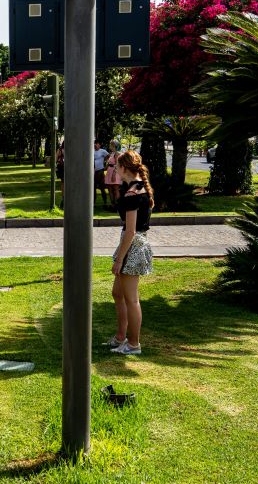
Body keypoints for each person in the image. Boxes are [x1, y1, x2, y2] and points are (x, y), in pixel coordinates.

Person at [104, 150, 154, 356]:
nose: (114, 169)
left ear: (124, 168)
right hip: (130, 243)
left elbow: (131, 231)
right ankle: (120, 337)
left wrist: (119, 259)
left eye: (116, 166)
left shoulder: (134, 193)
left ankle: (133, 344)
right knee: (118, 293)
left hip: (132, 245)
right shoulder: (138, 187)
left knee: (131, 299)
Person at [104, 139, 122, 210]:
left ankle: (118, 206)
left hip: (115, 172)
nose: (110, 146)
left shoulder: (117, 153)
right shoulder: (111, 153)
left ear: (115, 145)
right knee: (110, 189)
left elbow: (117, 164)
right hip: (109, 171)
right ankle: (113, 205)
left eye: (111, 145)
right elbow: (109, 164)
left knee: (115, 189)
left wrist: (114, 174)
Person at [93, 140, 110, 207]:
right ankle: (93, 203)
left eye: (97, 143)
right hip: (93, 172)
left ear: (99, 145)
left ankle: (105, 202)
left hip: (100, 171)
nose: (95, 145)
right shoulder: (91, 151)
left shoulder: (103, 151)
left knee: (102, 187)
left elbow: (109, 156)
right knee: (93, 187)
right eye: (94, 143)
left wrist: (106, 164)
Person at [56, 140, 65, 209]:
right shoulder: (71, 149)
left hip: (61, 168)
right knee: (64, 182)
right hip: (64, 168)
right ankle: (63, 199)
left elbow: (56, 159)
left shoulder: (59, 150)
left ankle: (63, 198)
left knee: (63, 182)